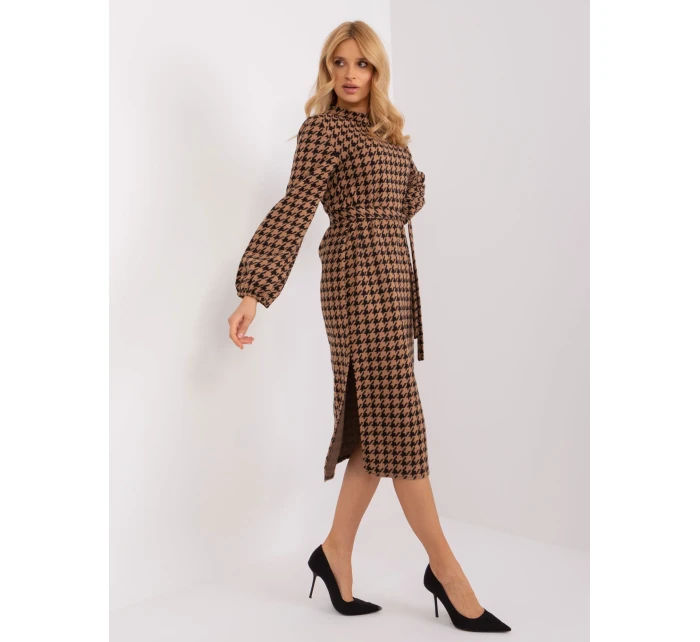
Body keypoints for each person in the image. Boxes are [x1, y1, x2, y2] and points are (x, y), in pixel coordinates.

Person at [228, 21, 511, 633]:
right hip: (358, 281)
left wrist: (395, 166)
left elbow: (410, 198)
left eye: (362, 64)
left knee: (376, 434)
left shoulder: (385, 133)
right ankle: (448, 573)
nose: (350, 74)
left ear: (377, 71)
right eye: (339, 62)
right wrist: (255, 289)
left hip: (393, 281)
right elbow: (296, 204)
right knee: (402, 430)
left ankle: (334, 552)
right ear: (327, 69)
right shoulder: (323, 129)